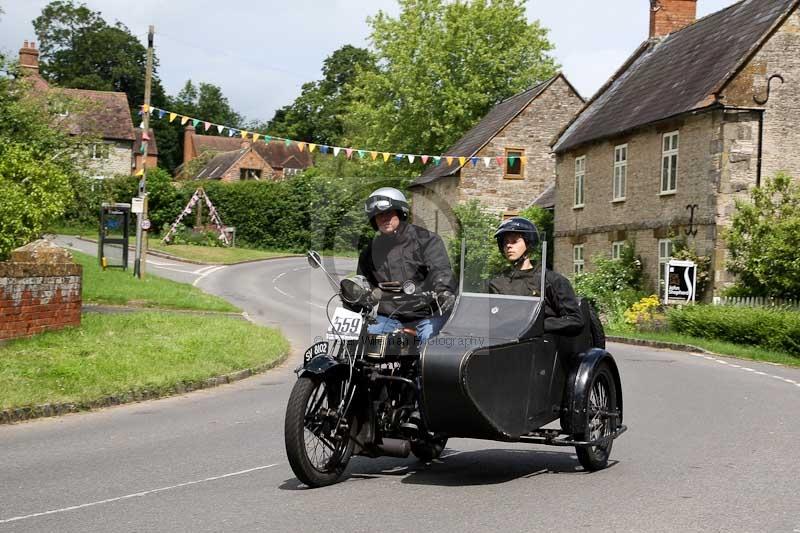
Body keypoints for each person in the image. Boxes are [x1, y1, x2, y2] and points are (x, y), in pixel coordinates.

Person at [358, 187, 456, 342]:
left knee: (429, 339)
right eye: (378, 215)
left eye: (388, 213)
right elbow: (361, 282)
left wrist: (444, 291)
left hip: (427, 314)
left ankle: (425, 367)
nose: (384, 218)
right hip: (390, 315)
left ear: (401, 213)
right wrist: (356, 293)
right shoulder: (370, 251)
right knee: (367, 338)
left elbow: (440, 270)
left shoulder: (427, 240)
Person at [487, 217, 584, 336]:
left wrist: (535, 325)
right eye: (505, 242)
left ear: (528, 243)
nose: (508, 246)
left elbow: (575, 320)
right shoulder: (497, 282)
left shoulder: (550, 280)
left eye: (514, 241)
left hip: (538, 345)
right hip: (503, 341)